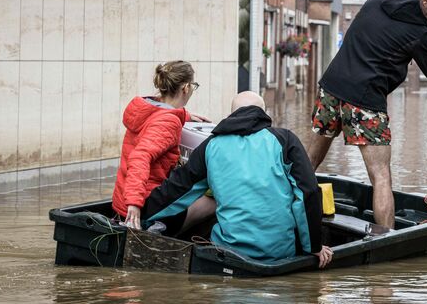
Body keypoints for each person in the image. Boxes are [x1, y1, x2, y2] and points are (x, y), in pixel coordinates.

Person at [307, 0, 427, 229]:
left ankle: (287, 211)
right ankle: (387, 239)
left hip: (331, 88)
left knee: (311, 159)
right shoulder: (420, 36)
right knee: (381, 175)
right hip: (364, 101)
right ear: (426, 0)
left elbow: (398, 23)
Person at [142, 91, 333, 268]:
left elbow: (177, 190)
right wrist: (314, 247)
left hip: (229, 252)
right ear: (263, 113)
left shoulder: (211, 145)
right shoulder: (285, 140)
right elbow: (308, 192)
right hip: (279, 253)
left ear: (232, 114)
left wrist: (138, 214)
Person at [112, 60, 212, 230]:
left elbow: (158, 120)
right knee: (214, 199)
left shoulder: (146, 108)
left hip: (121, 200)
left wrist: (184, 115)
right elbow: (140, 156)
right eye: (194, 86)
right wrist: (135, 203)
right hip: (144, 203)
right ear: (186, 88)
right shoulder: (168, 121)